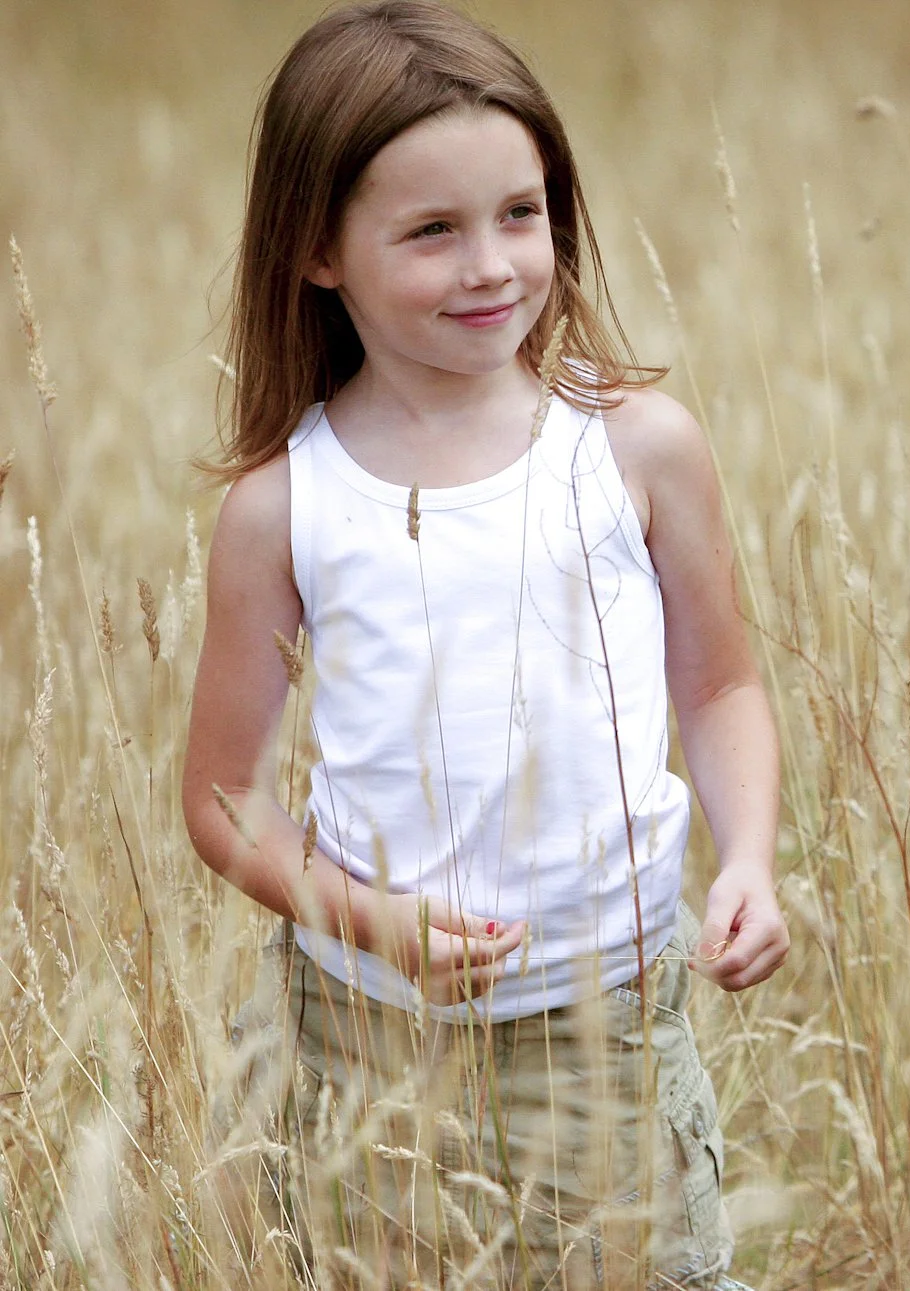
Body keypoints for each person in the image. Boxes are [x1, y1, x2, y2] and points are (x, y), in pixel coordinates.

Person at [181, 3, 787, 1285]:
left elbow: (721, 681)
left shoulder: (633, 447)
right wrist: (372, 921)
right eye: (432, 231)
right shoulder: (286, 507)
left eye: (522, 213)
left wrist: (751, 861)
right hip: (361, 1042)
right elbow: (225, 799)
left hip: (603, 1030)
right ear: (316, 250)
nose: (492, 266)